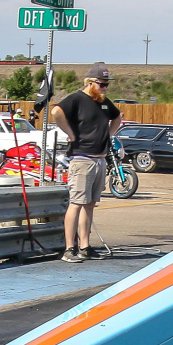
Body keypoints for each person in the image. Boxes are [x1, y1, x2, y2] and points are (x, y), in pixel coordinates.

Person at [50, 63, 120, 263]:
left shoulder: (104, 103)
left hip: (99, 159)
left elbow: (117, 117)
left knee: (89, 204)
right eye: (101, 84)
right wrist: (70, 133)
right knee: (76, 203)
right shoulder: (77, 99)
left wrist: (108, 135)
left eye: (107, 84)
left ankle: (85, 246)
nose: (104, 88)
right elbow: (56, 112)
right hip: (82, 159)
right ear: (90, 82)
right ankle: (69, 248)